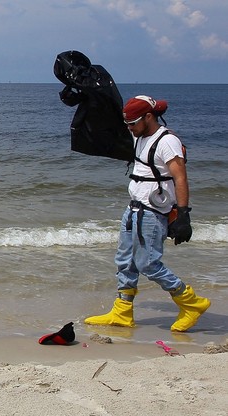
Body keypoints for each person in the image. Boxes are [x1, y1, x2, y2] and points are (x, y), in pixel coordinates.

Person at [85, 95, 210, 332]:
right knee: (125, 262)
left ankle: (191, 303)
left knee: (148, 264)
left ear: (149, 117)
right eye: (128, 123)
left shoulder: (167, 142)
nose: (129, 128)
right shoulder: (139, 135)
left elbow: (180, 177)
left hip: (153, 214)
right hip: (133, 209)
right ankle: (122, 312)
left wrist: (183, 215)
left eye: (133, 123)